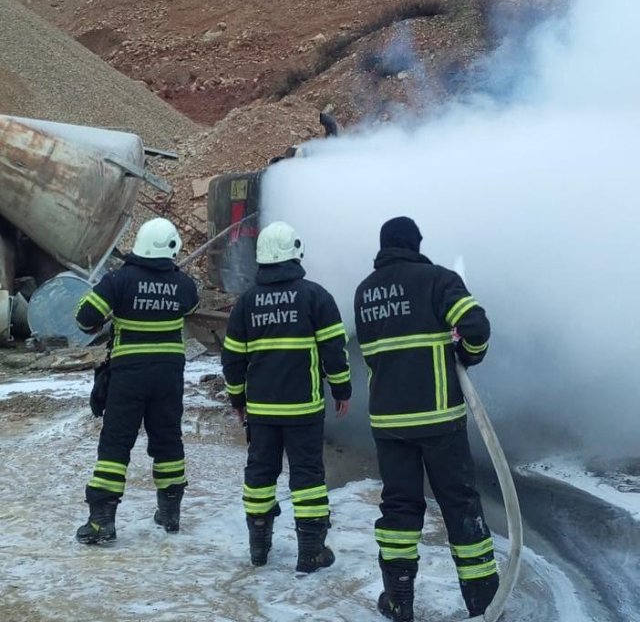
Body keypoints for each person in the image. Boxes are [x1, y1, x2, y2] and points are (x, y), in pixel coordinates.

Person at [353, 216, 498, 622]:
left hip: (388, 421)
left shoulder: (365, 291)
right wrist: (468, 355)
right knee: (460, 505)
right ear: (415, 244)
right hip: (439, 419)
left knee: (399, 508)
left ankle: (399, 600)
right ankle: (483, 602)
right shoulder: (438, 280)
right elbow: (476, 325)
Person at [221, 221, 351, 572]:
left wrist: (238, 400)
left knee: (260, 474)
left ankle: (258, 548)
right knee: (307, 476)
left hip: (261, 411)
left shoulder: (247, 302)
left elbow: (232, 357)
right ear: (294, 253)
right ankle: (311, 552)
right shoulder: (315, 296)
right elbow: (333, 350)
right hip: (304, 408)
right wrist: (342, 390)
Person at [74, 217, 199, 544]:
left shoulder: (119, 280)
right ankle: (170, 513)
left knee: (116, 444)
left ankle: (102, 521)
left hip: (128, 377)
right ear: (170, 248)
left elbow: (85, 317)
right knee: (168, 440)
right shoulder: (184, 284)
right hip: (168, 377)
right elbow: (192, 304)